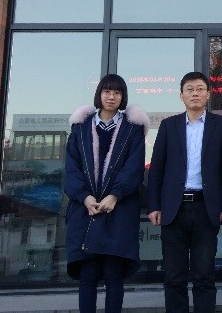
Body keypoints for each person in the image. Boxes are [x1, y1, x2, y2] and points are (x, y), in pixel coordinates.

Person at [146, 71, 222, 313]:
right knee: (174, 277)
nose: (195, 93)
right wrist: (154, 205)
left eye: (199, 89)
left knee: (204, 276)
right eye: (190, 89)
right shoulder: (168, 126)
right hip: (173, 209)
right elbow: (157, 168)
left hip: (206, 208)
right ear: (181, 95)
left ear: (208, 94)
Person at [63, 74, 149, 313]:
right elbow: (71, 169)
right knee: (88, 274)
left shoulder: (132, 129)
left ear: (123, 97)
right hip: (86, 211)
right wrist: (85, 197)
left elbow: (134, 169)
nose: (112, 97)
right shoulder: (80, 127)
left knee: (114, 274)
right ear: (99, 94)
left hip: (119, 210)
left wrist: (115, 195)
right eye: (107, 91)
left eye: (117, 93)